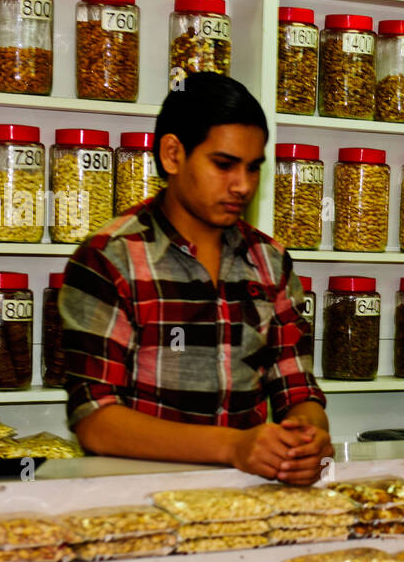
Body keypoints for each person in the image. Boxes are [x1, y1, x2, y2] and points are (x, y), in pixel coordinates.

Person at [60, 73, 332, 485]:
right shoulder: (109, 258)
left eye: (253, 168)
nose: (242, 185)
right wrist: (232, 447)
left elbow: (297, 389)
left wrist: (309, 436)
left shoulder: (269, 260)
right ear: (173, 154)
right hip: (135, 501)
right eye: (223, 165)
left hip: (249, 492)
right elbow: (96, 420)